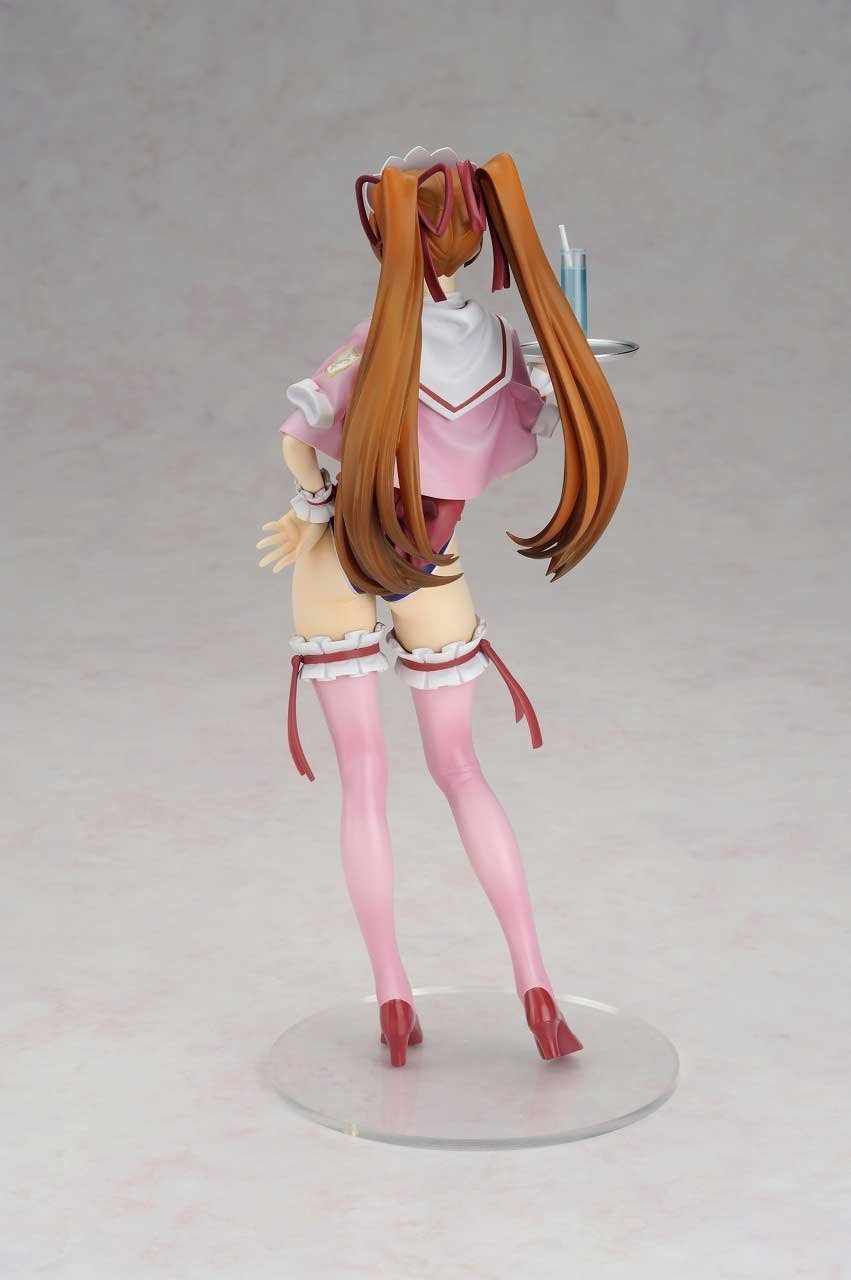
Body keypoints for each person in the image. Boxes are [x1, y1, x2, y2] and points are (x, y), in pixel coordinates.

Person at [258, 147, 628, 1066]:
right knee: (461, 769)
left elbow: (300, 435)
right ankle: (535, 985)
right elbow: (531, 421)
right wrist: (567, 380)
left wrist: (309, 507)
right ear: (473, 241)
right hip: (433, 556)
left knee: (365, 777)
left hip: (342, 548)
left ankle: (393, 999)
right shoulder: (498, 342)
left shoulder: (375, 334)